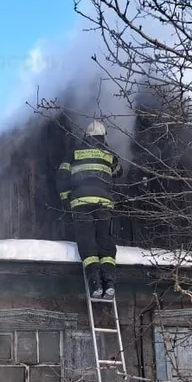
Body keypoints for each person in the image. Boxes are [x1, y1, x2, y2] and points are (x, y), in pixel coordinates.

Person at [56, 120, 123, 299]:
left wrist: (65, 201)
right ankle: (109, 282)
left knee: (87, 242)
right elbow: (119, 171)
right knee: (105, 241)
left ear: (86, 136)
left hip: (81, 203)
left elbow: (62, 175)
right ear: (104, 136)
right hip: (104, 204)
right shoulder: (110, 154)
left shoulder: (74, 153)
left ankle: (95, 284)